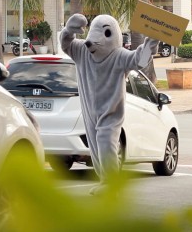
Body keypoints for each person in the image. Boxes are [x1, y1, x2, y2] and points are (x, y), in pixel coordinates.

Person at [60, 13, 158, 195]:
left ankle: (112, 184)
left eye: (104, 33)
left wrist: (152, 41)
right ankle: (105, 180)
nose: (92, 41)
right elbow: (66, 45)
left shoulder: (119, 56)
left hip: (111, 113)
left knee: (105, 142)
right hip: (90, 112)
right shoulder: (83, 51)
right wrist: (68, 30)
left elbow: (140, 60)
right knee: (96, 147)